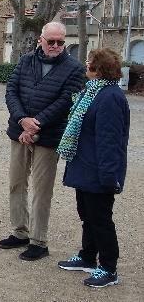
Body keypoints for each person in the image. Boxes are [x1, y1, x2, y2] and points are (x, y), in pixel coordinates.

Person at [0, 21, 85, 260]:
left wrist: (36, 123)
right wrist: (22, 120)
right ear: (41, 40)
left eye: (60, 42)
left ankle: (38, 240)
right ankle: (19, 231)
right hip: (19, 131)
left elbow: (66, 100)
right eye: (51, 41)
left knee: (42, 189)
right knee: (16, 183)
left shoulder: (74, 68)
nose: (56, 45)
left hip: (49, 136)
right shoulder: (25, 61)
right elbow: (11, 92)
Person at [56, 48, 130, 288]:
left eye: (89, 62)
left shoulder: (110, 97)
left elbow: (110, 140)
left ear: (99, 68)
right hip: (85, 167)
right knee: (87, 215)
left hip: (100, 171)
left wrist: (109, 176)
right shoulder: (92, 91)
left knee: (101, 219)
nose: (85, 65)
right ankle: (88, 256)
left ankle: (109, 268)